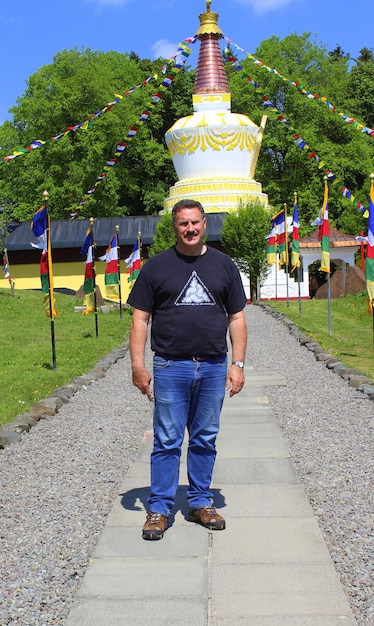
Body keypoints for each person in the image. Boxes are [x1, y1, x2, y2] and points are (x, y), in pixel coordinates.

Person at [127, 199, 247, 540]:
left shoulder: (224, 266)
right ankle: (159, 509)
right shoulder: (156, 267)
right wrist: (138, 365)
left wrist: (237, 365)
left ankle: (200, 502)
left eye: (195, 222)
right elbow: (140, 319)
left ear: (204, 224)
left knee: (205, 438)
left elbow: (237, 317)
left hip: (212, 367)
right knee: (166, 440)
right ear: (175, 227)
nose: (190, 229)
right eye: (183, 223)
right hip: (170, 366)